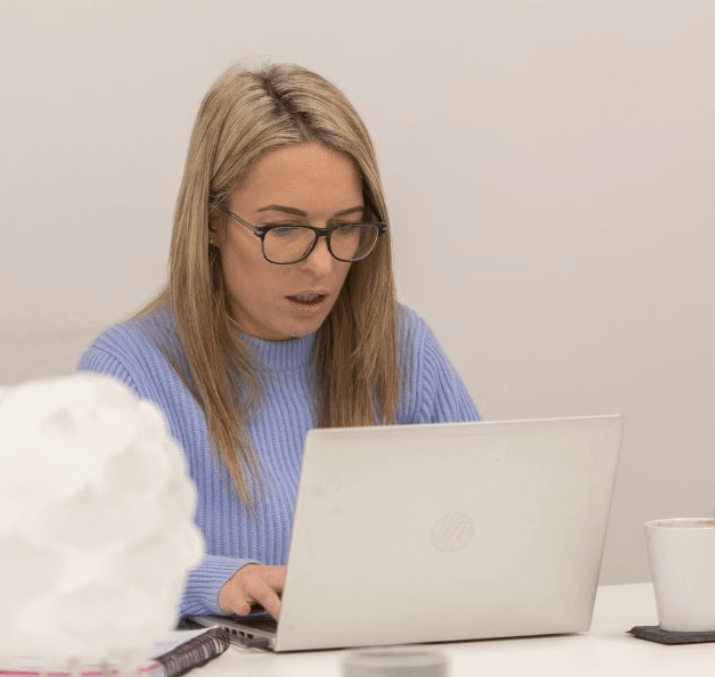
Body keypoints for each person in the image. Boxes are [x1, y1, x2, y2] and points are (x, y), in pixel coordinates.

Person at [78, 61, 479, 622]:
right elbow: (87, 567)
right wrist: (220, 581)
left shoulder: (400, 344)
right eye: (283, 229)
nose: (321, 265)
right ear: (213, 223)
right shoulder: (128, 373)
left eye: (345, 227)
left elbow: (486, 527)